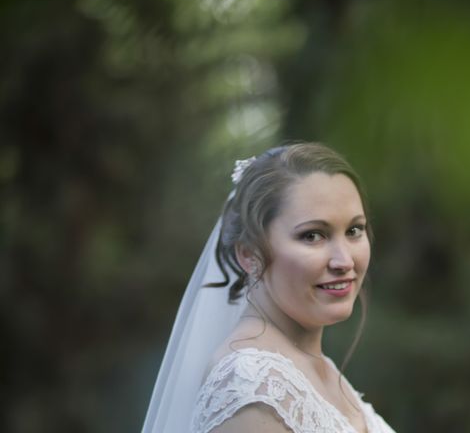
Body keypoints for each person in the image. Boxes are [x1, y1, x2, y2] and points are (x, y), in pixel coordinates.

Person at [142, 142, 396, 433]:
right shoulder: (253, 387)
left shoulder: (314, 366)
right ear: (249, 254)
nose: (344, 260)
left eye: (354, 230)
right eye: (313, 235)